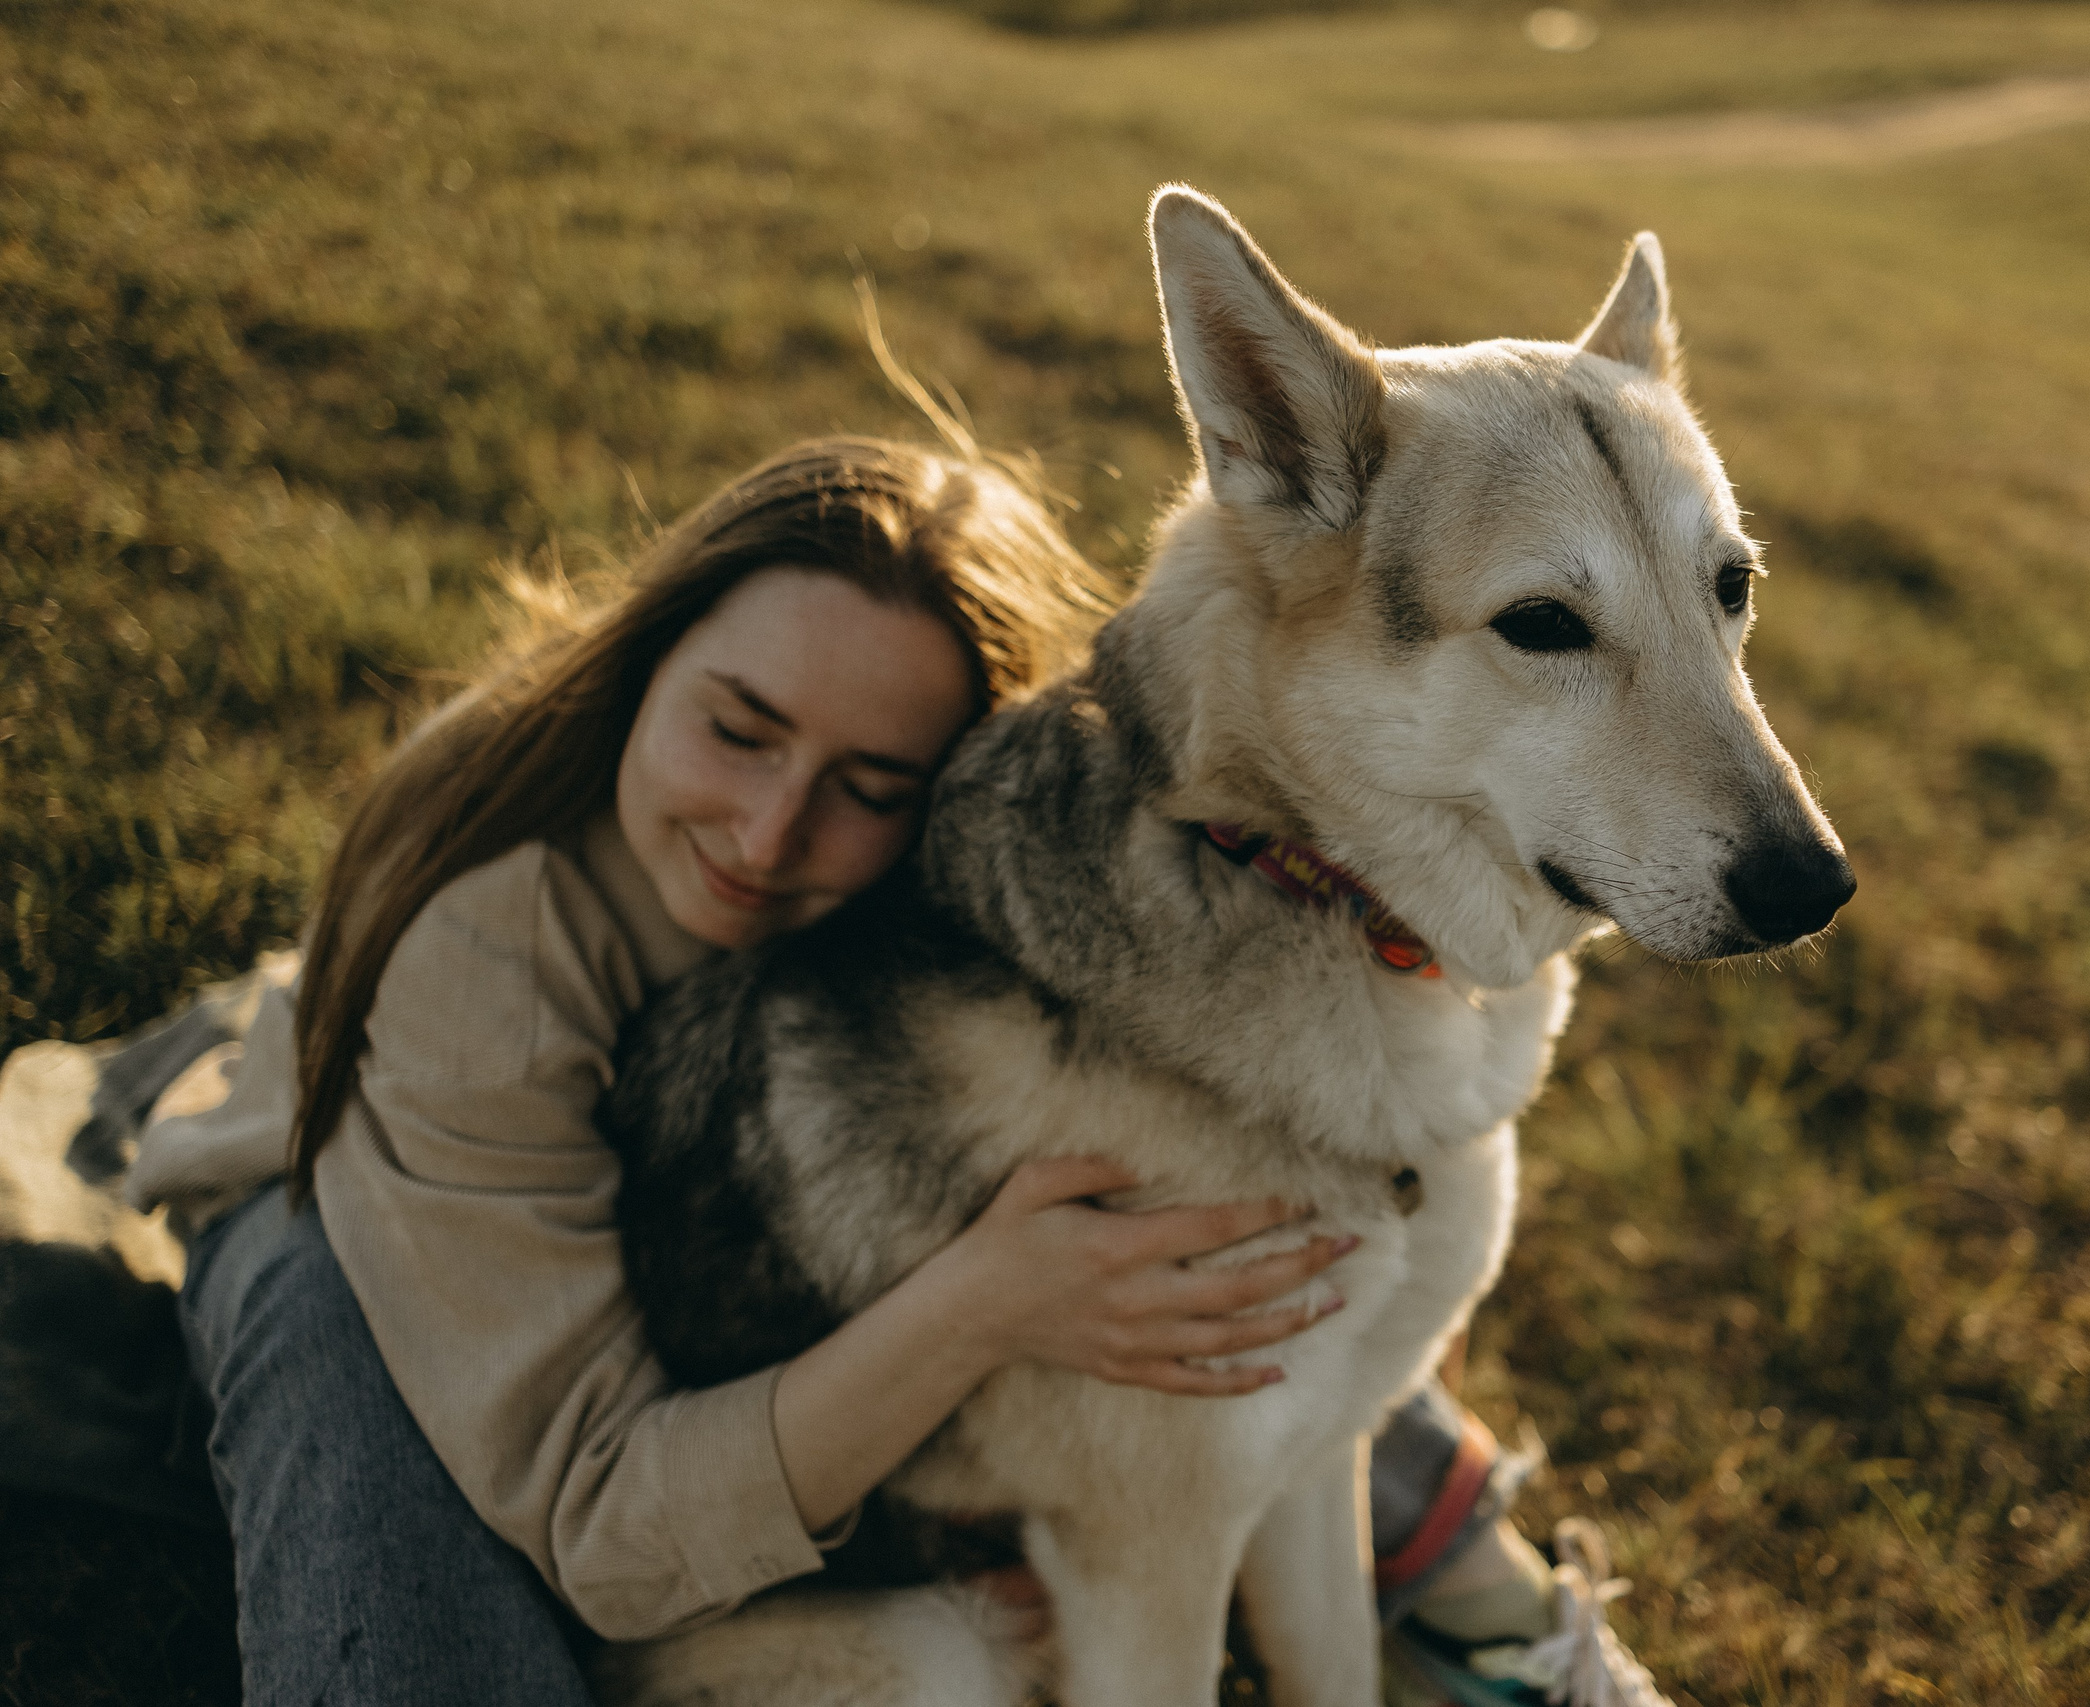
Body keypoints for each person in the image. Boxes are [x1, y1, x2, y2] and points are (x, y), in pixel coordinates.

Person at [122, 435, 1667, 1706]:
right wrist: (992, 1297)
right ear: (648, 659)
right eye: (737, 730)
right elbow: (600, 1525)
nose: (769, 837)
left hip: (731, 1229)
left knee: (1226, 1321)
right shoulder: (482, 978)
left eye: (871, 788)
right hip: (343, 1195)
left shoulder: (987, 865)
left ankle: (1439, 1537)